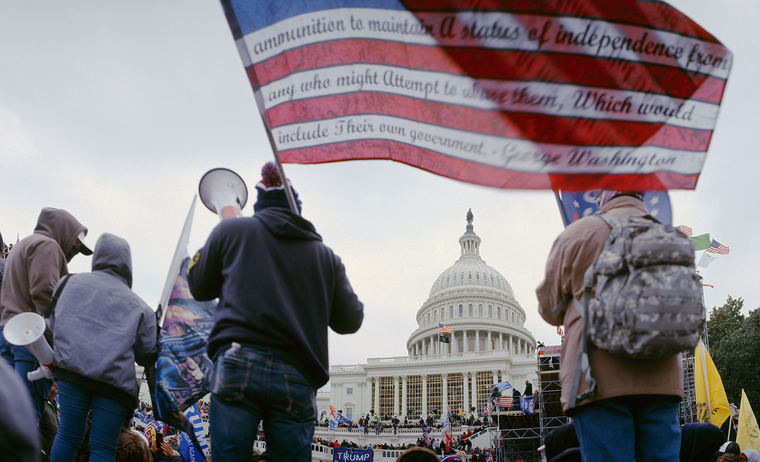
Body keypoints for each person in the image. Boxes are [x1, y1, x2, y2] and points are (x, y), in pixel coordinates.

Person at [188, 163, 364, 462]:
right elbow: (351, 320)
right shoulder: (326, 257)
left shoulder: (231, 231)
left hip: (237, 360)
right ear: (297, 209)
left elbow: (200, 286)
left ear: (258, 203)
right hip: (297, 374)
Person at [536, 191, 683, 462]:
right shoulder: (670, 236)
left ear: (602, 195)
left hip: (597, 376)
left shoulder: (579, 233)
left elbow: (549, 308)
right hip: (662, 372)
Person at [48, 233, 158, 461]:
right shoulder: (141, 308)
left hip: (73, 371)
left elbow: (52, 325)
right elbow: (147, 355)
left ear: (97, 256)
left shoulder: (68, 282)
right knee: (103, 448)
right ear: (128, 264)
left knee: (68, 436)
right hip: (115, 383)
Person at [0, 208, 92, 454]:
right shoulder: (48, 246)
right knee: (26, 414)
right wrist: (59, 343)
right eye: (74, 245)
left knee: (7, 410)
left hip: (7, 333)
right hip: (31, 340)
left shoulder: (23, 246)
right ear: (64, 232)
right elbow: (44, 292)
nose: (73, 252)